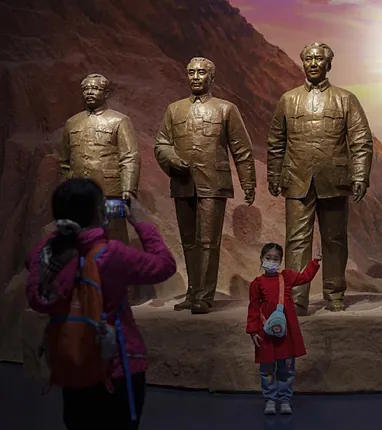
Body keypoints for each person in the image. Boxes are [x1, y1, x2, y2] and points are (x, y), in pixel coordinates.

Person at [25, 178, 176, 430]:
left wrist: (60, 235)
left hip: (73, 363)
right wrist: (140, 221)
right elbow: (164, 265)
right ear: (99, 211)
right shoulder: (109, 254)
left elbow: (34, 270)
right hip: (116, 365)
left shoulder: (48, 253)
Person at [267, 42, 373, 315]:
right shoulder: (288, 100)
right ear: (303, 63)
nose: (313, 63)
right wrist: (274, 174)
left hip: (335, 180)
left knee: (335, 240)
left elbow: (361, 140)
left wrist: (360, 174)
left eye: (319, 59)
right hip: (297, 179)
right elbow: (276, 142)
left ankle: (334, 293)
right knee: (296, 241)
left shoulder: (345, 99)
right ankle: (296, 298)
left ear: (329, 64)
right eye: (308, 59)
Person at [155, 56, 256, 314]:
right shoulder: (174, 110)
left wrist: (249, 183)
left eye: (201, 72)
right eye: (191, 72)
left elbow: (241, 149)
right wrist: (172, 160)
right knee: (189, 241)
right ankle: (193, 291)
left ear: (212, 77)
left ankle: (205, 295)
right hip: (183, 183)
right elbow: (162, 144)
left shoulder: (226, 109)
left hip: (214, 182)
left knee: (209, 241)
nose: (196, 77)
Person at [58, 73, 140, 244]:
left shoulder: (119, 120)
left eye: (95, 88)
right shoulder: (72, 123)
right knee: (82, 238)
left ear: (106, 93)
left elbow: (130, 156)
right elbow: (64, 161)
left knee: (114, 237)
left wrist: (128, 189)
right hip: (79, 192)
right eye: (86, 89)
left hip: (111, 192)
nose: (89, 92)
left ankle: (117, 270)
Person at [246, 243, 320, 415]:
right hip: (266, 334)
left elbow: (305, 277)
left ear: (280, 261)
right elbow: (253, 308)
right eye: (268, 258)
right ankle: (270, 399)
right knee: (267, 369)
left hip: (285, 334)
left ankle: (285, 399)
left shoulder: (286, 277)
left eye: (275, 259)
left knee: (286, 368)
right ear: (262, 259)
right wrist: (253, 331)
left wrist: (315, 262)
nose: (271, 261)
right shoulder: (256, 284)